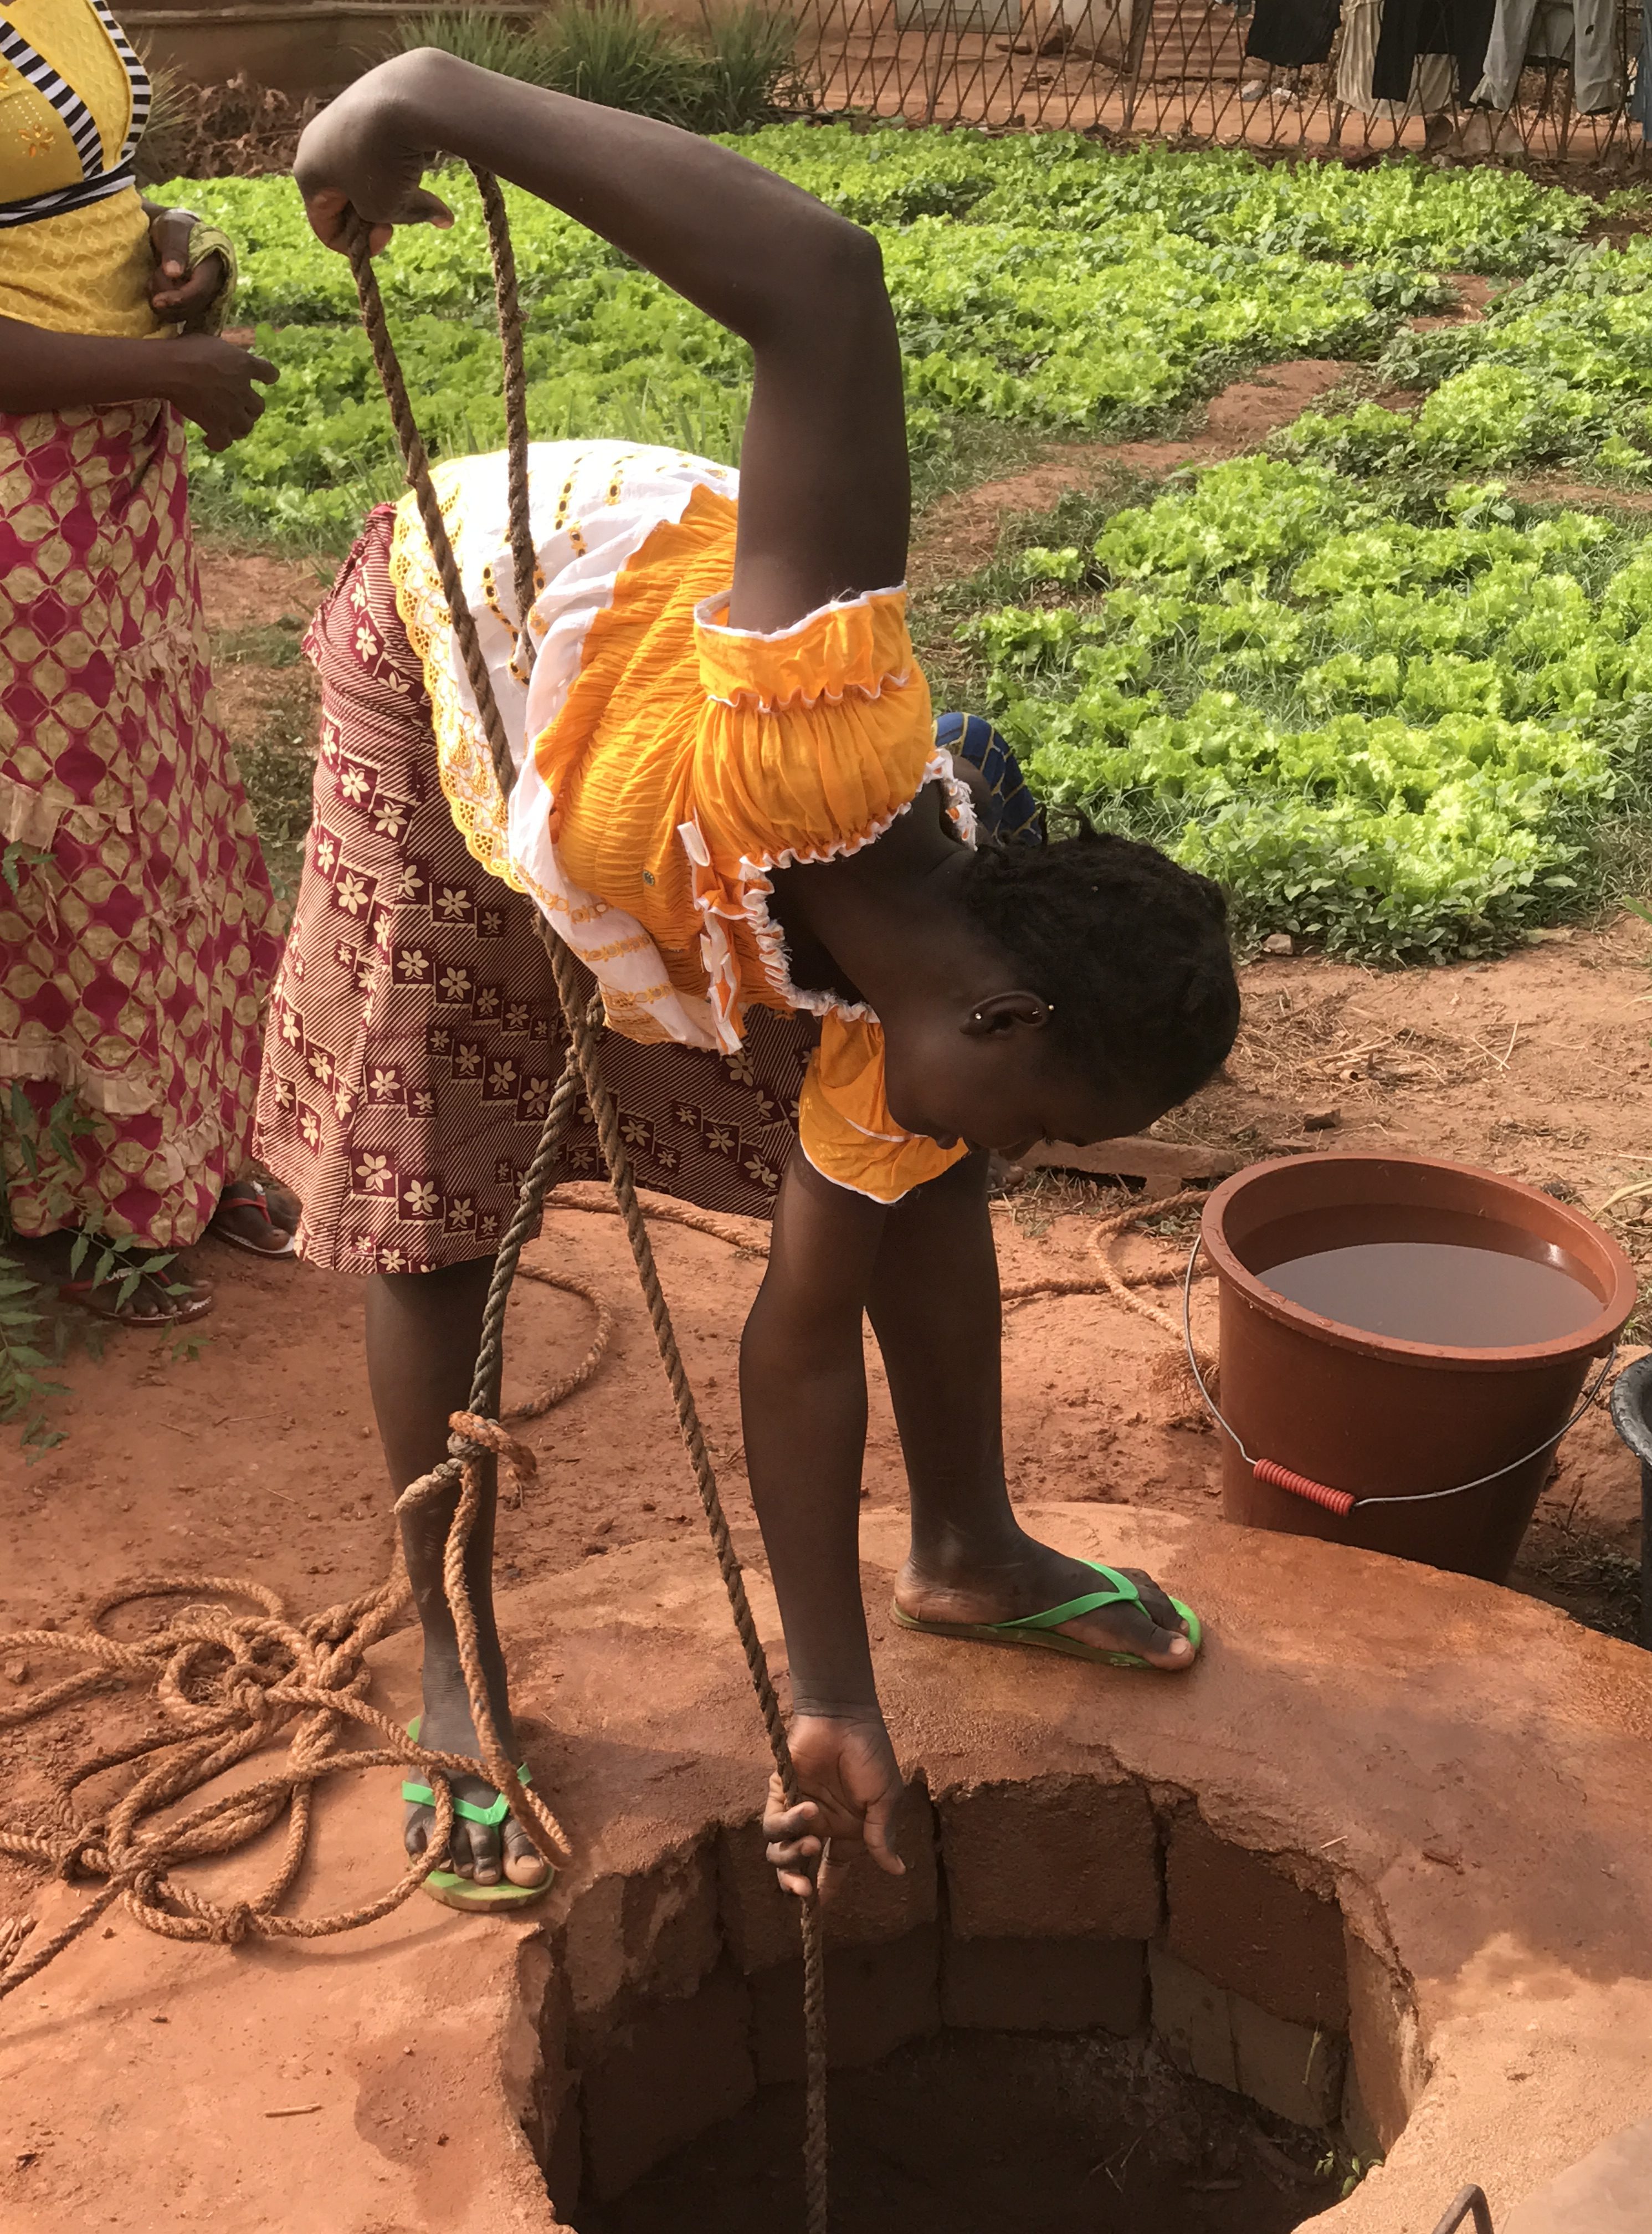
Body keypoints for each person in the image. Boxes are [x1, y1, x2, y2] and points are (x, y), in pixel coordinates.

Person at [269, 49, 1241, 1910]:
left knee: (907, 1192)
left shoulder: (909, 1045)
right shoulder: (817, 740)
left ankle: (963, 1546)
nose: (1031, 1159)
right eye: (1049, 1125)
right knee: (439, 1197)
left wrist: (830, 1702)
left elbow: (793, 1346)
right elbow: (820, 280)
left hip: (649, 804)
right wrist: (432, 98)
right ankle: (455, 1658)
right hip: (457, 655)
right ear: (1007, 1014)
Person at [0, 0, 291, 1323]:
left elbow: (80, 199)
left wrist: (173, 245)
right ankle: (70, 1203)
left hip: (115, 471)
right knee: (61, 838)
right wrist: (166, 370)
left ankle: (183, 1146)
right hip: (19, 492)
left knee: (161, 805)